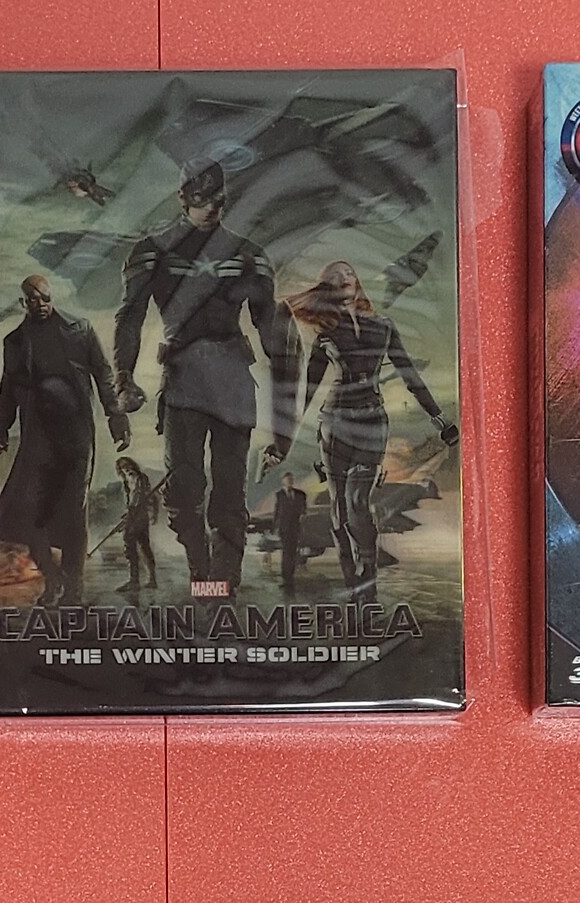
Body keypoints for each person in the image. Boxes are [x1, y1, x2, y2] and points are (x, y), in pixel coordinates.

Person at [113, 158, 295, 597]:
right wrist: (123, 376)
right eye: (200, 200)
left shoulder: (247, 253)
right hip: (184, 383)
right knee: (182, 493)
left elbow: (270, 329)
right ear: (182, 198)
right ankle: (202, 572)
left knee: (229, 493)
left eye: (217, 200)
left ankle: (222, 584)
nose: (209, 208)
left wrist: (284, 406)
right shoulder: (153, 250)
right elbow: (130, 317)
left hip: (232, 382)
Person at [280, 261, 458, 604]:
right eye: (334, 277)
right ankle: (353, 582)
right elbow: (309, 389)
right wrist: (284, 436)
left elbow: (409, 375)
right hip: (335, 423)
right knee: (339, 509)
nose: (344, 279)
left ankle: (368, 584)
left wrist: (439, 419)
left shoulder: (383, 326)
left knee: (358, 502)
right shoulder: (326, 333)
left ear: (356, 281)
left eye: (348, 273)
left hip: (372, 421)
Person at [0, 275, 130, 606]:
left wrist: (116, 416)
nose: (40, 305)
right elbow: (8, 388)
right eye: (33, 300)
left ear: (52, 297)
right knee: (31, 514)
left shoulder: (80, 329)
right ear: (23, 302)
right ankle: (53, 579)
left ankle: (73, 587)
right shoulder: (15, 341)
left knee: (74, 512)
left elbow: (103, 374)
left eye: (45, 298)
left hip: (76, 436)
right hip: (38, 439)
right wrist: (0, 428)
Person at [114, 456, 159, 592]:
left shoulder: (141, 478)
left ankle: (138, 581)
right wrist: (127, 514)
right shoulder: (126, 482)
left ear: (133, 465)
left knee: (134, 545)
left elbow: (146, 497)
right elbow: (130, 500)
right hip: (133, 514)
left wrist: (154, 512)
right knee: (140, 546)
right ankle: (143, 580)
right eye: (123, 467)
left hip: (139, 515)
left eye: (128, 465)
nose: (126, 468)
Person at [272, 470, 308, 588]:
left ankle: (290, 577)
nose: (290, 482)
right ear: (283, 481)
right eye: (287, 480)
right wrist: (275, 527)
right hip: (284, 529)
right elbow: (277, 512)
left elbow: (303, 509)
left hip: (295, 528)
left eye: (291, 480)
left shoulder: (300, 494)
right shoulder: (279, 495)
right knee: (286, 552)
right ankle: (286, 577)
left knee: (292, 552)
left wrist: (303, 514)